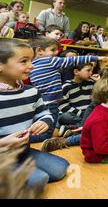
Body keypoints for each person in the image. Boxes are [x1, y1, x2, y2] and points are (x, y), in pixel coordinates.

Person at [0, 39, 69, 192]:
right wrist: (4, 142)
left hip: (23, 152)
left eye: (31, 60)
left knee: (61, 168)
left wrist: (45, 120)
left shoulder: (31, 90)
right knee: (39, 179)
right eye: (24, 61)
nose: (31, 65)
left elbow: (44, 112)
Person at [28, 37, 107, 142]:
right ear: (39, 51)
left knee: (41, 125)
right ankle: (29, 139)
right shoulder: (49, 61)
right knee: (47, 132)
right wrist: (96, 58)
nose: (56, 52)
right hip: (51, 102)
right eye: (52, 50)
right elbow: (72, 60)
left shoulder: (33, 64)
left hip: (40, 102)